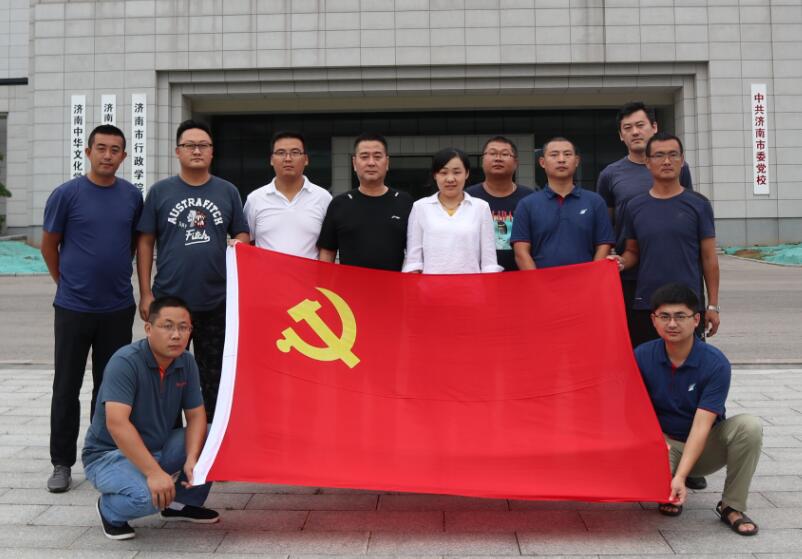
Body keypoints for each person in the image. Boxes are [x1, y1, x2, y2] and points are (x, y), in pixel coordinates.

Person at [40, 124, 143, 493]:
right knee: (66, 385)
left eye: (115, 150)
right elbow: (49, 245)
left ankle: (105, 456)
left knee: (111, 388)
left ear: (124, 156)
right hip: (73, 307)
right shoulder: (66, 194)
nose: (107, 155)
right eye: (101, 148)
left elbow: (132, 245)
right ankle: (61, 462)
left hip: (117, 307)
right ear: (88, 152)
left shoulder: (132, 196)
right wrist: (65, 282)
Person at [137, 120, 249, 421]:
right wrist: (145, 293)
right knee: (167, 374)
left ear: (212, 152)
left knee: (215, 376)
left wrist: (238, 243)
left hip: (217, 300)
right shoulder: (160, 192)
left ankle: (210, 437)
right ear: (178, 151)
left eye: (203, 146)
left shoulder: (227, 191)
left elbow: (242, 232)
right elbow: (145, 241)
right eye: (190, 145)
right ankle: (169, 438)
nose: (196, 151)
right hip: (170, 300)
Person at [82, 297, 219, 540]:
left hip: (158, 446)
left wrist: (192, 458)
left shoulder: (186, 361)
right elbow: (117, 424)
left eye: (183, 327)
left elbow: (196, 415)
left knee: (213, 436)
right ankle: (109, 510)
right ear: (148, 328)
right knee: (149, 498)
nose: (176, 335)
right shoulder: (125, 362)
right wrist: (154, 473)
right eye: (167, 326)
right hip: (109, 455)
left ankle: (180, 504)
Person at [634, 283, 761, 536]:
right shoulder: (641, 356)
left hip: (705, 447)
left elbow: (702, 425)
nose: (672, 324)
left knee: (749, 426)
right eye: (664, 316)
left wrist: (681, 476)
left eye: (680, 316)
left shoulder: (715, 363)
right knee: (647, 472)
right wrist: (655, 441)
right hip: (662, 446)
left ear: (696, 320)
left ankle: (731, 506)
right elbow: (632, 411)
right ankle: (668, 488)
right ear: (653, 320)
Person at [597, 101, 694, 345]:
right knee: (636, 341)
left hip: (673, 268)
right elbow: (606, 224)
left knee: (676, 338)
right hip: (631, 273)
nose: (635, 132)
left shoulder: (678, 168)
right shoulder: (610, 174)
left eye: (640, 125)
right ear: (621, 135)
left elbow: (687, 212)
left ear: (654, 127)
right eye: (627, 128)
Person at [614, 132, 720, 346]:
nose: (666, 161)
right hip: (647, 304)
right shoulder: (634, 206)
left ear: (682, 160)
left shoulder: (699, 205)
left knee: (688, 363)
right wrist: (621, 262)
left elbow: (709, 258)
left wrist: (712, 306)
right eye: (659, 155)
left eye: (673, 155)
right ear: (647, 162)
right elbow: (633, 251)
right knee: (647, 361)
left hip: (688, 304)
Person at [511, 137, 613, 270]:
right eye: (554, 155)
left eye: (567, 154)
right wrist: (537, 281)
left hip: (586, 280)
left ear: (576, 161)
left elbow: (604, 245)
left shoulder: (595, 202)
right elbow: (521, 252)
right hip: (542, 281)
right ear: (542, 162)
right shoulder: (527, 205)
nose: (561, 159)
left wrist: (593, 277)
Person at [318, 133, 413, 270]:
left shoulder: (404, 202)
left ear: (387, 162)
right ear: (354, 163)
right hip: (349, 283)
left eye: (377, 157)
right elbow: (327, 252)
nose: (371, 163)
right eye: (364, 157)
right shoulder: (339, 204)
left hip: (395, 283)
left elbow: (415, 252)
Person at [402, 148, 501, 274]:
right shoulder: (420, 207)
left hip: (471, 285)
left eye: (457, 172)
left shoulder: (481, 207)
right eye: (443, 173)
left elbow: (489, 262)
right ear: (435, 175)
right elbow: (413, 261)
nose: (450, 179)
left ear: (466, 173)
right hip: (431, 285)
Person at [243, 131, 331, 258]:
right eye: (281, 153)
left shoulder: (323, 198)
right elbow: (246, 243)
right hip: (266, 271)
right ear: (271, 160)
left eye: (295, 152)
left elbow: (328, 248)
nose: (288, 159)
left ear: (306, 159)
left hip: (310, 272)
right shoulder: (255, 199)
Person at [465, 136, 534, 271]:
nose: (498, 158)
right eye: (492, 153)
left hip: (520, 274)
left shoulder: (529, 198)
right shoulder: (468, 198)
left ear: (516, 163)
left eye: (504, 154)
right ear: (483, 160)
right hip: (478, 275)